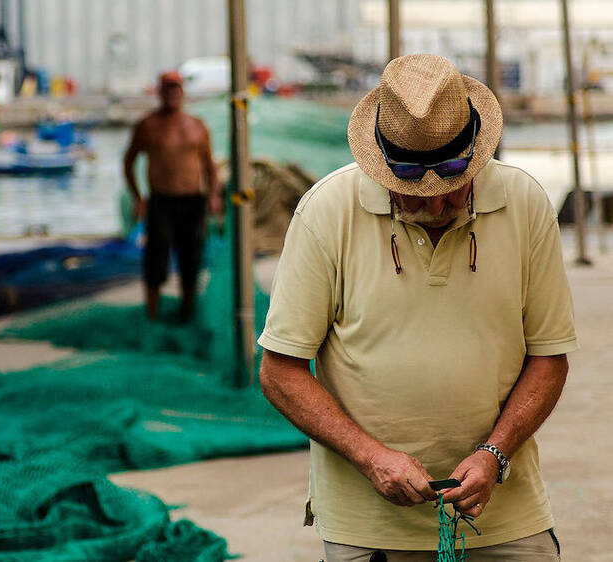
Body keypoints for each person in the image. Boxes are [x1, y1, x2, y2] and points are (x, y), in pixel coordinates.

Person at [258, 54, 577, 561]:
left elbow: (549, 356)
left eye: (452, 182)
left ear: (475, 152)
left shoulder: (526, 203)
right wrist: (372, 459)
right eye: (412, 187)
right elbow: (280, 370)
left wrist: (495, 454)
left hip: (507, 519)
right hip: (367, 528)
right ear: (381, 163)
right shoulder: (325, 211)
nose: (434, 204)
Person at [124, 71, 220, 321]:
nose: (172, 93)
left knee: (191, 259)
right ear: (159, 92)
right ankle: (152, 315)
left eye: (176, 88)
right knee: (156, 259)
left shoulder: (197, 126)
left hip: (192, 201)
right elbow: (129, 161)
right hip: (161, 201)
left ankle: (187, 312)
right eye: (167, 88)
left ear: (183, 92)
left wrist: (213, 195)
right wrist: (138, 197)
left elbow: (210, 165)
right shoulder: (147, 125)